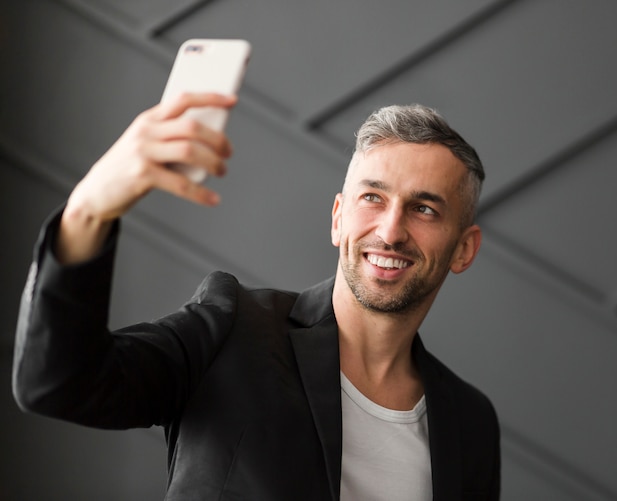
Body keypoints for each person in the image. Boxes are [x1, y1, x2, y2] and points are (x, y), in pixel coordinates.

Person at [13, 93, 500, 500]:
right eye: (372, 197)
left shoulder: (470, 423)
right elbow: (58, 383)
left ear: (464, 248)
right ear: (337, 218)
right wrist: (88, 212)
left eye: (424, 209)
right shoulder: (233, 328)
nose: (390, 231)